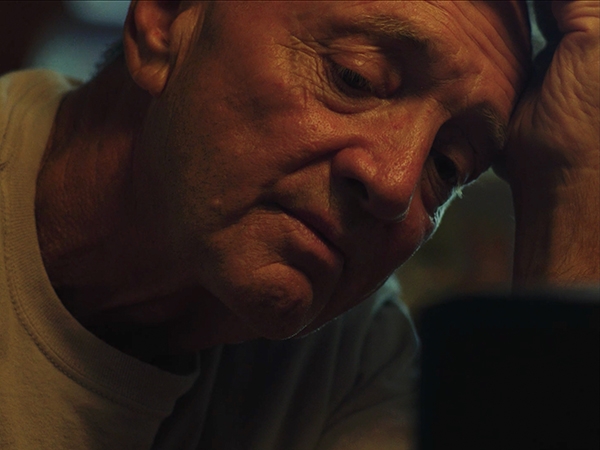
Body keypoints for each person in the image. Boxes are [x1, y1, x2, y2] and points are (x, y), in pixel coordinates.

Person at [0, 1, 597, 449]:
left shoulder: (355, 363)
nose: (395, 185)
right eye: (355, 78)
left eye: (447, 165)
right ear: (166, 19)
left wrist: (571, 185)